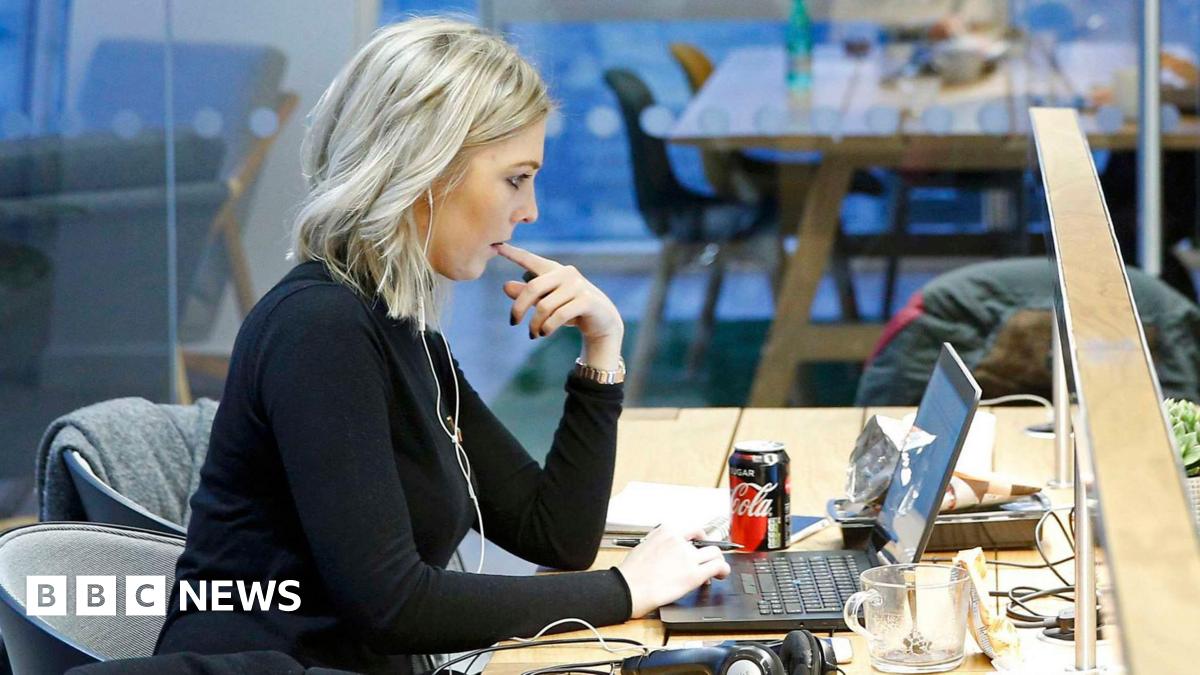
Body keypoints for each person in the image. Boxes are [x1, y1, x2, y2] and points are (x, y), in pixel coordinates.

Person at [154, 16, 730, 674]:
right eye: (516, 178)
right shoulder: (320, 330)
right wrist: (624, 589)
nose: (530, 210)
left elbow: (554, 534)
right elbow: (393, 604)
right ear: (426, 168)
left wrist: (602, 351)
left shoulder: (397, 323)